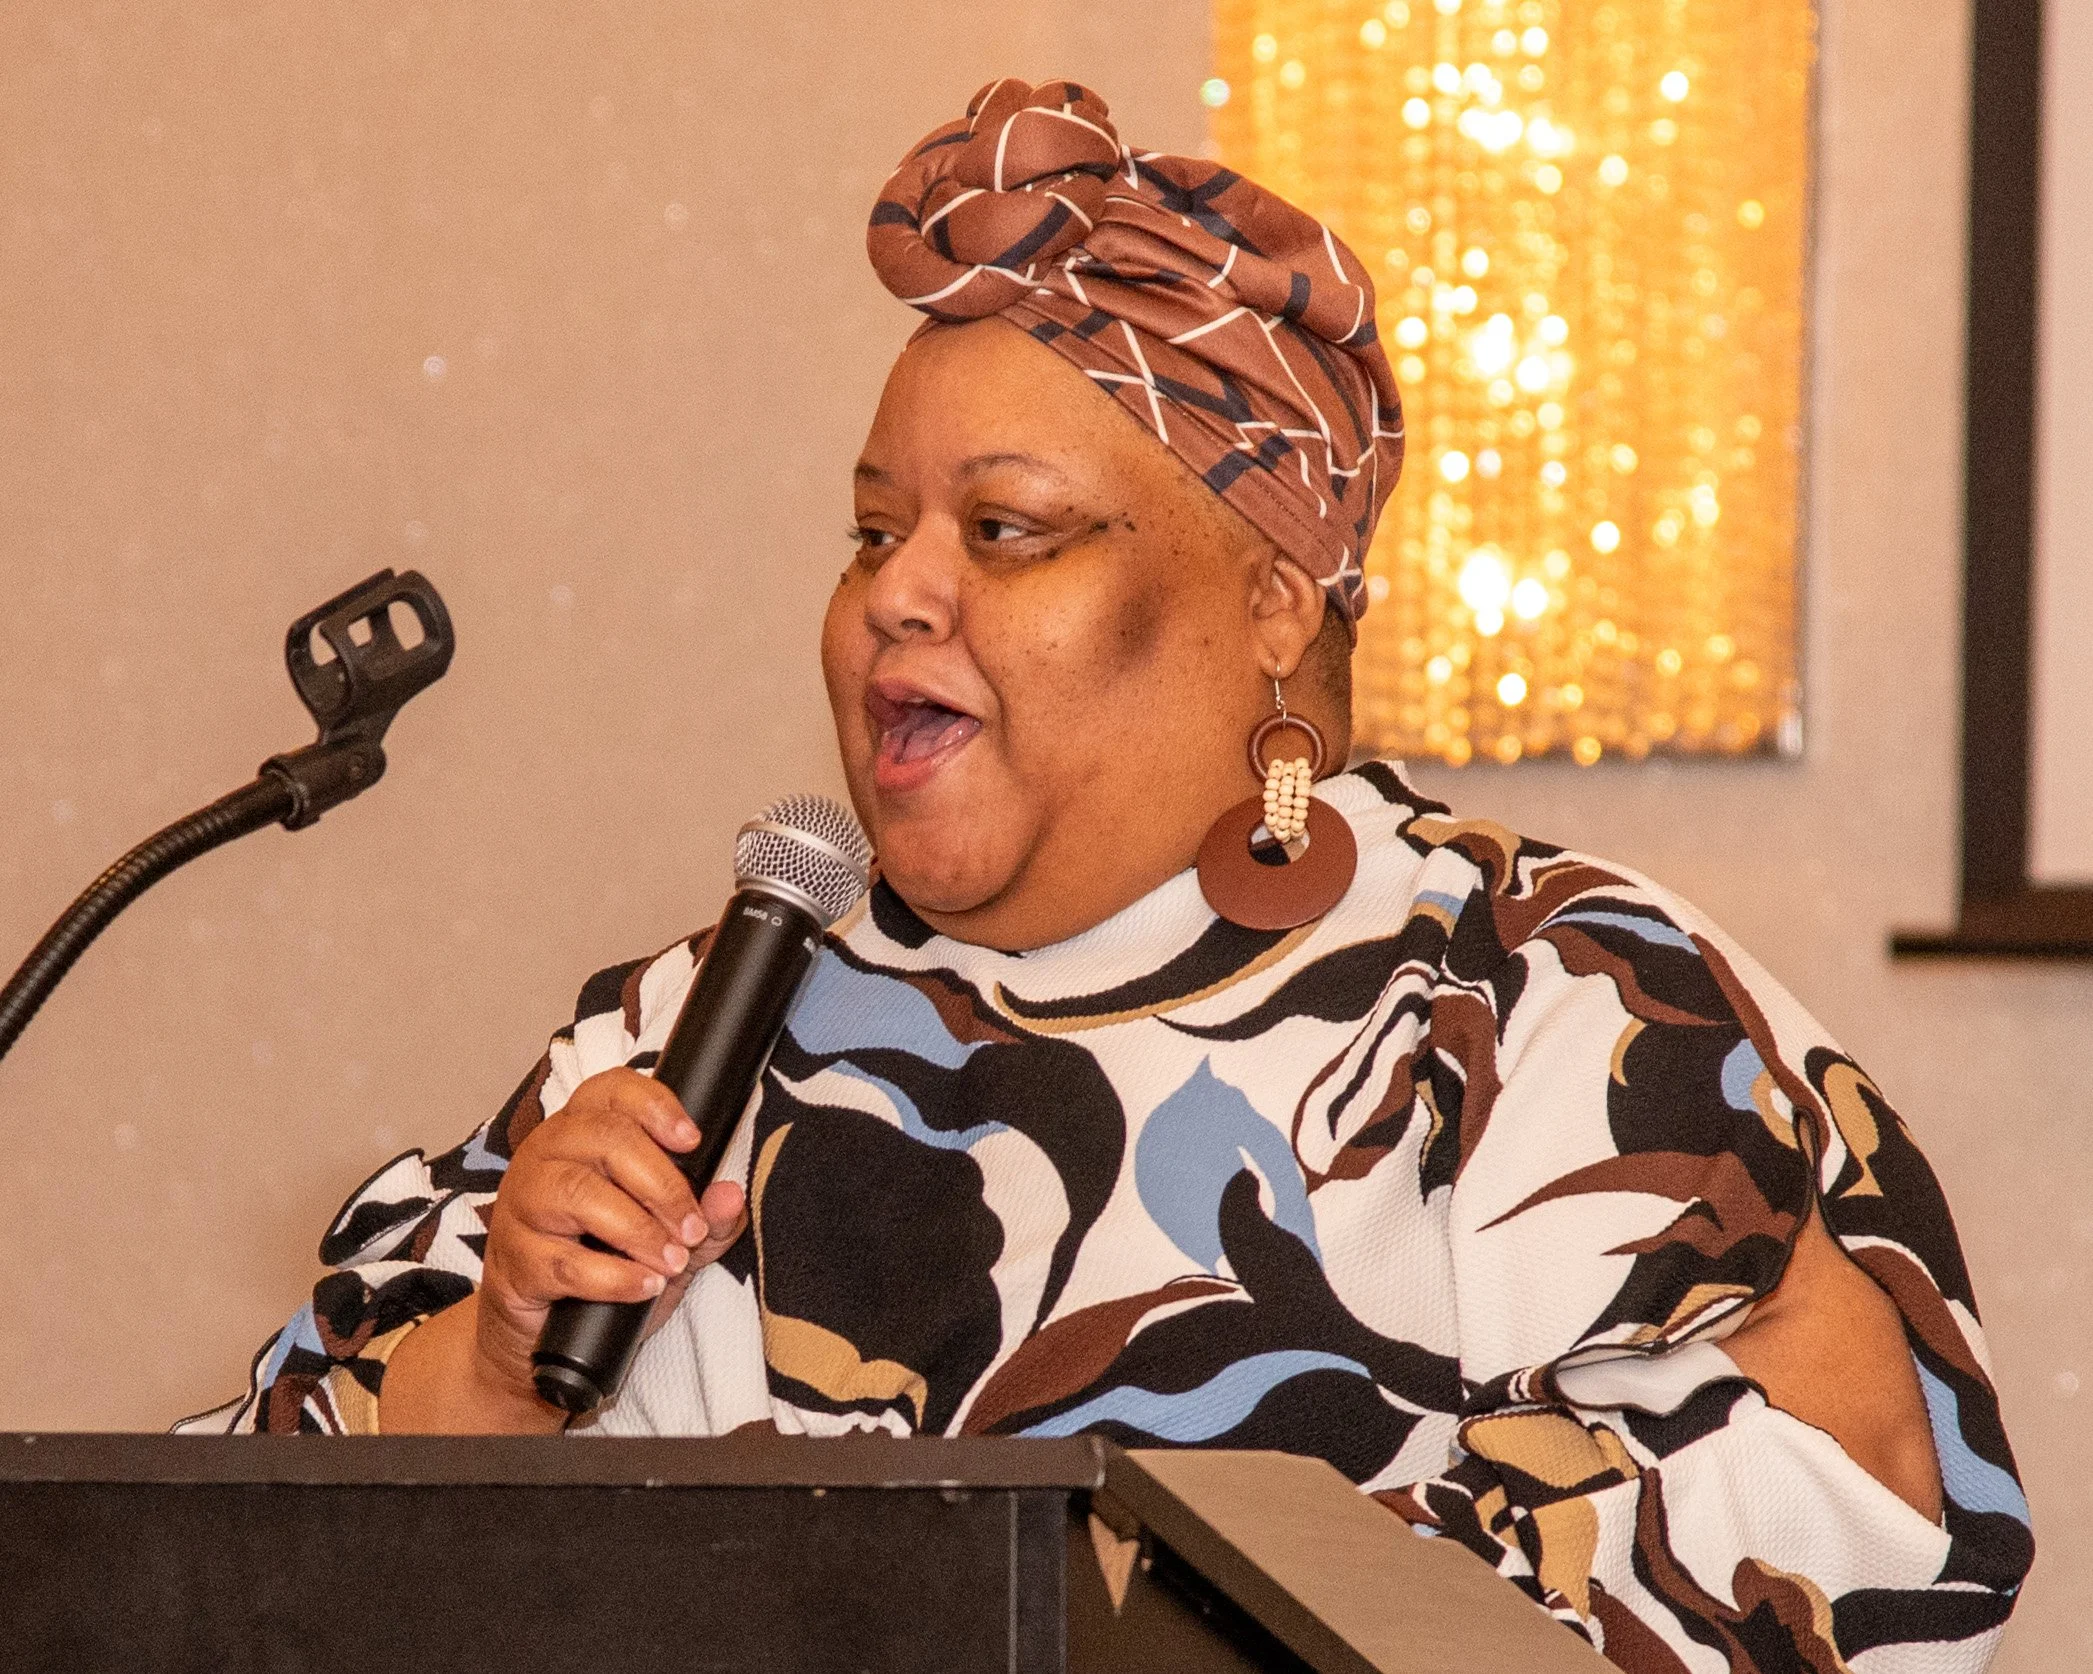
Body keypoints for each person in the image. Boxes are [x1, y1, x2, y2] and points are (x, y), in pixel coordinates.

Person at [181, 79, 2030, 1672]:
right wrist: (504, 1370)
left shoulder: (1552, 1008)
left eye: (1004, 530)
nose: (897, 592)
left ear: (1266, 602)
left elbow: (1862, 1528)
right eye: (872, 531)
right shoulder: (698, 1038)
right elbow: (205, 1563)